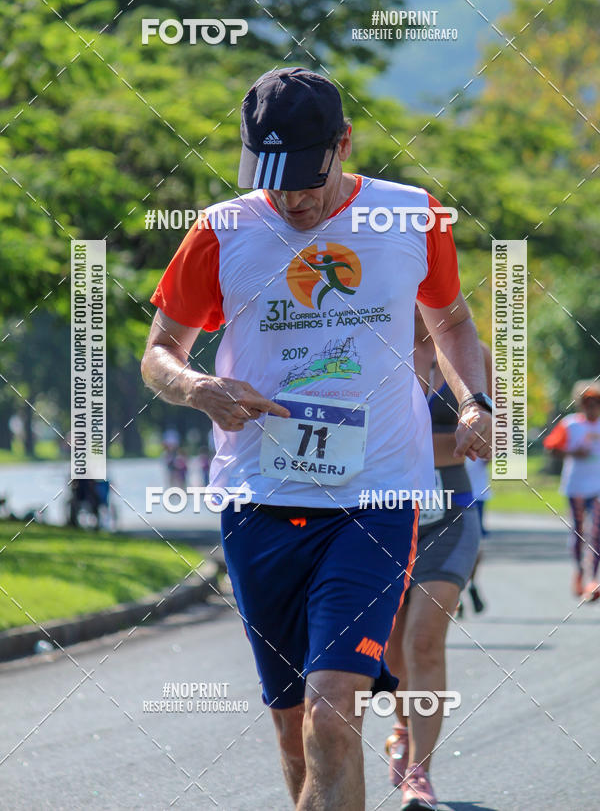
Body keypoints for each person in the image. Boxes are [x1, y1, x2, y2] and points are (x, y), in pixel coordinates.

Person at [141, 67, 492, 810]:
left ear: (344, 144)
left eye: (306, 177)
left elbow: (453, 322)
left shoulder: (413, 218)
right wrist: (197, 387)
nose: (292, 198)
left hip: (378, 496)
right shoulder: (222, 230)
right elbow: (159, 350)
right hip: (260, 499)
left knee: (334, 711)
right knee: (295, 724)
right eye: (273, 178)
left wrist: (476, 401)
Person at [383, 312, 492, 810]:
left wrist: (480, 435)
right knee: (391, 650)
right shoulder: (369, 346)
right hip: (380, 515)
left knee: (424, 639)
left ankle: (420, 773)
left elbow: (500, 442)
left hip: (450, 513)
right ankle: (402, 727)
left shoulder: (474, 357)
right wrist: (451, 443)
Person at [543, 380, 600, 601]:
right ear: (580, 404)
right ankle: (579, 572)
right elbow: (551, 448)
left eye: (596, 402)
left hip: (597, 487)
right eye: (587, 402)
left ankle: (593, 580)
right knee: (578, 533)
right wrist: (572, 452)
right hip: (575, 486)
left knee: (596, 533)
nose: (592, 406)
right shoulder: (570, 425)